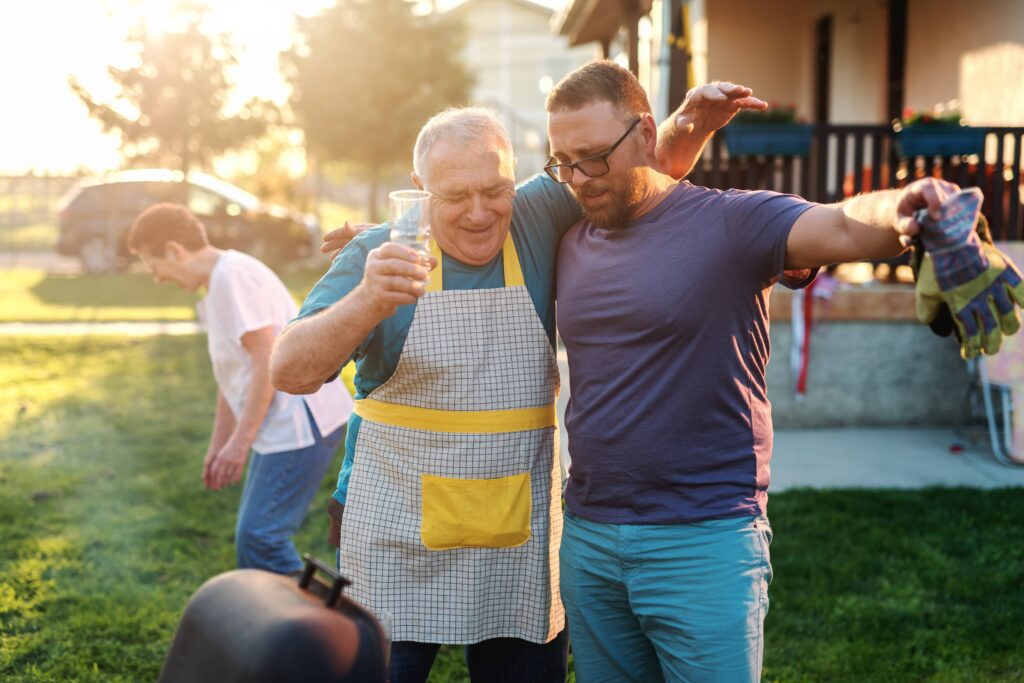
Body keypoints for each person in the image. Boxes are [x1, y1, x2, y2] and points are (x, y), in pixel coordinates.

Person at [270, 83, 800, 682]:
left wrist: (691, 122)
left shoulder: (538, 214)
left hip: (516, 540)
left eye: (494, 190)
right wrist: (366, 301)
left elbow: (625, 169)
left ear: (516, 180)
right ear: (420, 194)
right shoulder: (379, 253)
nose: (478, 213)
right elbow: (290, 370)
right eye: (454, 196)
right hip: (396, 536)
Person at [542, 60, 965, 682]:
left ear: (643, 134)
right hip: (588, 538)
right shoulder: (568, 233)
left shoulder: (732, 222)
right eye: (563, 161)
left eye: (593, 157)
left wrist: (908, 206)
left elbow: (846, 225)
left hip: (703, 541)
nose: (578, 177)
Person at [128, 203, 353, 575]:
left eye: (155, 267)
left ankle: (317, 628)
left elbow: (266, 360)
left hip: (301, 426)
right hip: (280, 429)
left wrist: (239, 443)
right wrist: (220, 443)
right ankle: (274, 625)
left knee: (261, 539)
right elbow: (232, 379)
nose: (157, 278)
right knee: (254, 538)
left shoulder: (233, 277)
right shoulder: (216, 286)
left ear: (173, 251)